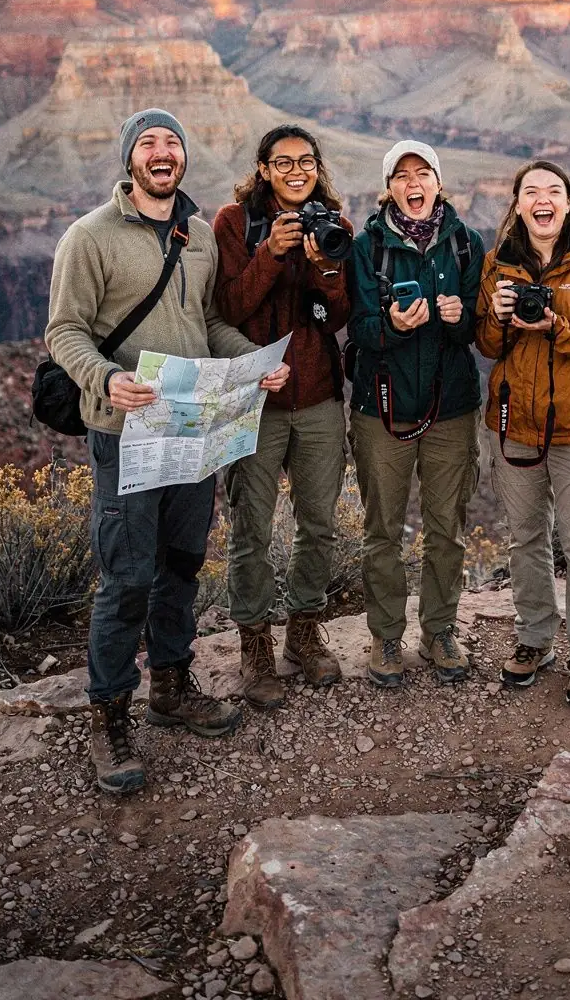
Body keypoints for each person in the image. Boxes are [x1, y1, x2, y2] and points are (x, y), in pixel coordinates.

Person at [45, 109, 289, 795]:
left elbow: (206, 322)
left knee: (181, 564)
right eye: (148, 143)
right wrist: (106, 378)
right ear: (130, 159)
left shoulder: (200, 234)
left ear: (184, 158)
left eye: (172, 142)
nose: (162, 152)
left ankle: (172, 687)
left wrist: (253, 363)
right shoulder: (89, 236)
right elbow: (64, 331)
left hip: (191, 429)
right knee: (127, 576)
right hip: (125, 432)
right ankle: (109, 716)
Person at [475, 159, 570, 706]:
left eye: (553, 191)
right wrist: (498, 317)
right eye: (531, 192)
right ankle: (534, 639)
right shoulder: (498, 264)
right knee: (525, 539)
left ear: (568, 203)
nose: (542, 200)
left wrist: (555, 326)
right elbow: (486, 345)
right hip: (515, 425)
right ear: (518, 204)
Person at [213, 125, 352, 708]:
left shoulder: (335, 225)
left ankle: (303, 630)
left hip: (318, 398)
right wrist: (270, 253)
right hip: (255, 400)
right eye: (284, 162)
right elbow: (227, 308)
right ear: (264, 169)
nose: (297, 171)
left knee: (318, 522)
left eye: (307, 161)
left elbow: (338, 317)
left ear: (318, 167)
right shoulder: (234, 223)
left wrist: (324, 266)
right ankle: (254, 643)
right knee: (251, 526)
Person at [348, 140, 485, 687]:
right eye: (401, 175)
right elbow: (357, 328)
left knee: (446, 527)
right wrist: (392, 326)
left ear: (438, 182)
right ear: (389, 188)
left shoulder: (466, 244)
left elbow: (480, 328)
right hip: (382, 410)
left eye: (423, 172)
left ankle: (439, 631)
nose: (413, 183)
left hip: (450, 409)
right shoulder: (367, 247)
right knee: (383, 529)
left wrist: (458, 318)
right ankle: (386, 635)